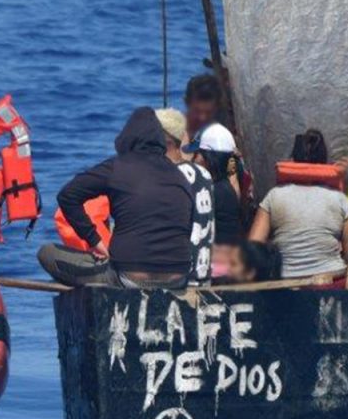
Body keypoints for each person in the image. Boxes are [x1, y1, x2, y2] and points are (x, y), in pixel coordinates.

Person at [39, 107, 212, 288]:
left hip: (128, 276)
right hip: (177, 279)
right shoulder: (179, 177)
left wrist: (93, 241)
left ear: (127, 139)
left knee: (47, 253)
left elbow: (67, 196)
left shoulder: (117, 167)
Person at [249, 128, 348, 281]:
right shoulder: (340, 199)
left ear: (294, 159)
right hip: (332, 281)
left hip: (285, 285)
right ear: (324, 162)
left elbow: (253, 249)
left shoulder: (274, 195)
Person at [184, 122, 246, 277]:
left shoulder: (212, 192)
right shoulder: (225, 187)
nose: (192, 158)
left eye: (196, 154)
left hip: (216, 270)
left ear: (208, 158)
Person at [184, 69, 223, 140]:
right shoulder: (175, 132)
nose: (203, 118)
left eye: (209, 112)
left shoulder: (221, 136)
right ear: (187, 103)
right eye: (197, 111)